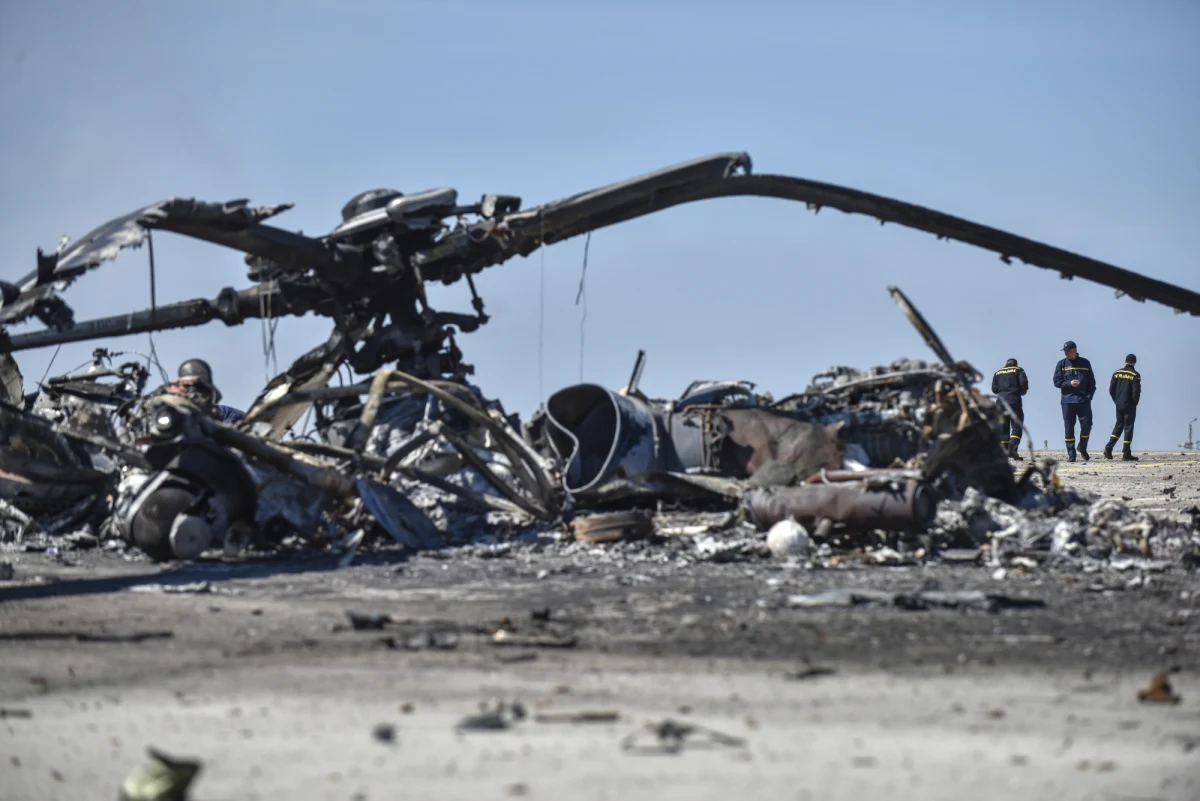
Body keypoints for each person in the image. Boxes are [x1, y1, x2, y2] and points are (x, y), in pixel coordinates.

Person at [160, 359, 245, 424]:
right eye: (187, 388)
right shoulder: (168, 416)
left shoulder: (229, 414)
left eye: (199, 389)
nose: (193, 394)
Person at [1052, 340, 1096, 462]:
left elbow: (1092, 382)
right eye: (1065, 352)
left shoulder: (1085, 363)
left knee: (1087, 425)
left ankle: (1082, 447)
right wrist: (1069, 384)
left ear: (1075, 350)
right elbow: (1056, 381)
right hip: (1067, 401)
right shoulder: (1061, 364)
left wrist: (1090, 396)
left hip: (1083, 400)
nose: (1067, 354)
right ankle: (1071, 454)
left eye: (1069, 351)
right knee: (1069, 427)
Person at [1105, 354, 1141, 461]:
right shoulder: (1135, 375)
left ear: (1125, 361)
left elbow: (1111, 389)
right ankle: (1126, 453)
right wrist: (1134, 403)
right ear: (1134, 362)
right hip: (1129, 404)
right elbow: (1136, 392)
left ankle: (1109, 448)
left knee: (1119, 425)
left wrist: (1116, 401)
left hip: (1119, 404)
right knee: (1128, 427)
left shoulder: (1117, 373)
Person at [991, 358, 1029, 459]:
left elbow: (994, 389)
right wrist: (1020, 392)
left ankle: (1004, 453)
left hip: (1000, 402)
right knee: (1017, 425)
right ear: (1015, 364)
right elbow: (1023, 385)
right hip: (1014, 401)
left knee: (1003, 426)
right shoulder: (1018, 370)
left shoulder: (998, 372)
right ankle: (1012, 449)